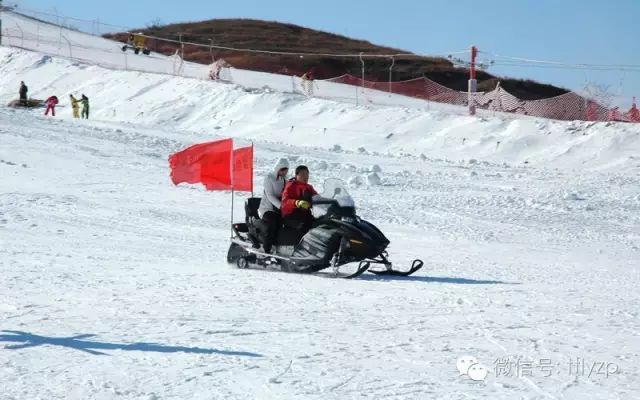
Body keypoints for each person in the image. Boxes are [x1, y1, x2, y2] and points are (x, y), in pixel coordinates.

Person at [257, 158, 289, 253]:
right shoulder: (269, 178)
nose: (284, 172)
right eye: (282, 169)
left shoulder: (284, 180)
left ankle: (283, 247)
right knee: (272, 222)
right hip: (267, 209)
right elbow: (270, 195)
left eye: (286, 170)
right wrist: (281, 206)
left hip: (279, 209)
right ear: (277, 168)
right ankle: (266, 250)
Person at [281, 165, 318, 241]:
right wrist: (297, 202)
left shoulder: (308, 187)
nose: (305, 177)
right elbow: (285, 201)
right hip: (291, 215)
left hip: (304, 214)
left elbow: (317, 197)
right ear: (296, 175)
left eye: (307, 174)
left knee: (318, 224)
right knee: (305, 226)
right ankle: (300, 247)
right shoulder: (291, 185)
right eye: (302, 174)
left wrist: (331, 201)